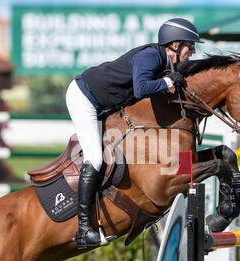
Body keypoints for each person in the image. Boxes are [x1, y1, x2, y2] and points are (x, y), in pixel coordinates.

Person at [66, 18, 204, 248]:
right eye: (190, 46)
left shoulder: (165, 62)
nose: (193, 52)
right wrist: (168, 80)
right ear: (175, 44)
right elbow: (141, 88)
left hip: (107, 103)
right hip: (84, 98)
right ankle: (83, 228)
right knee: (95, 158)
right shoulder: (150, 57)